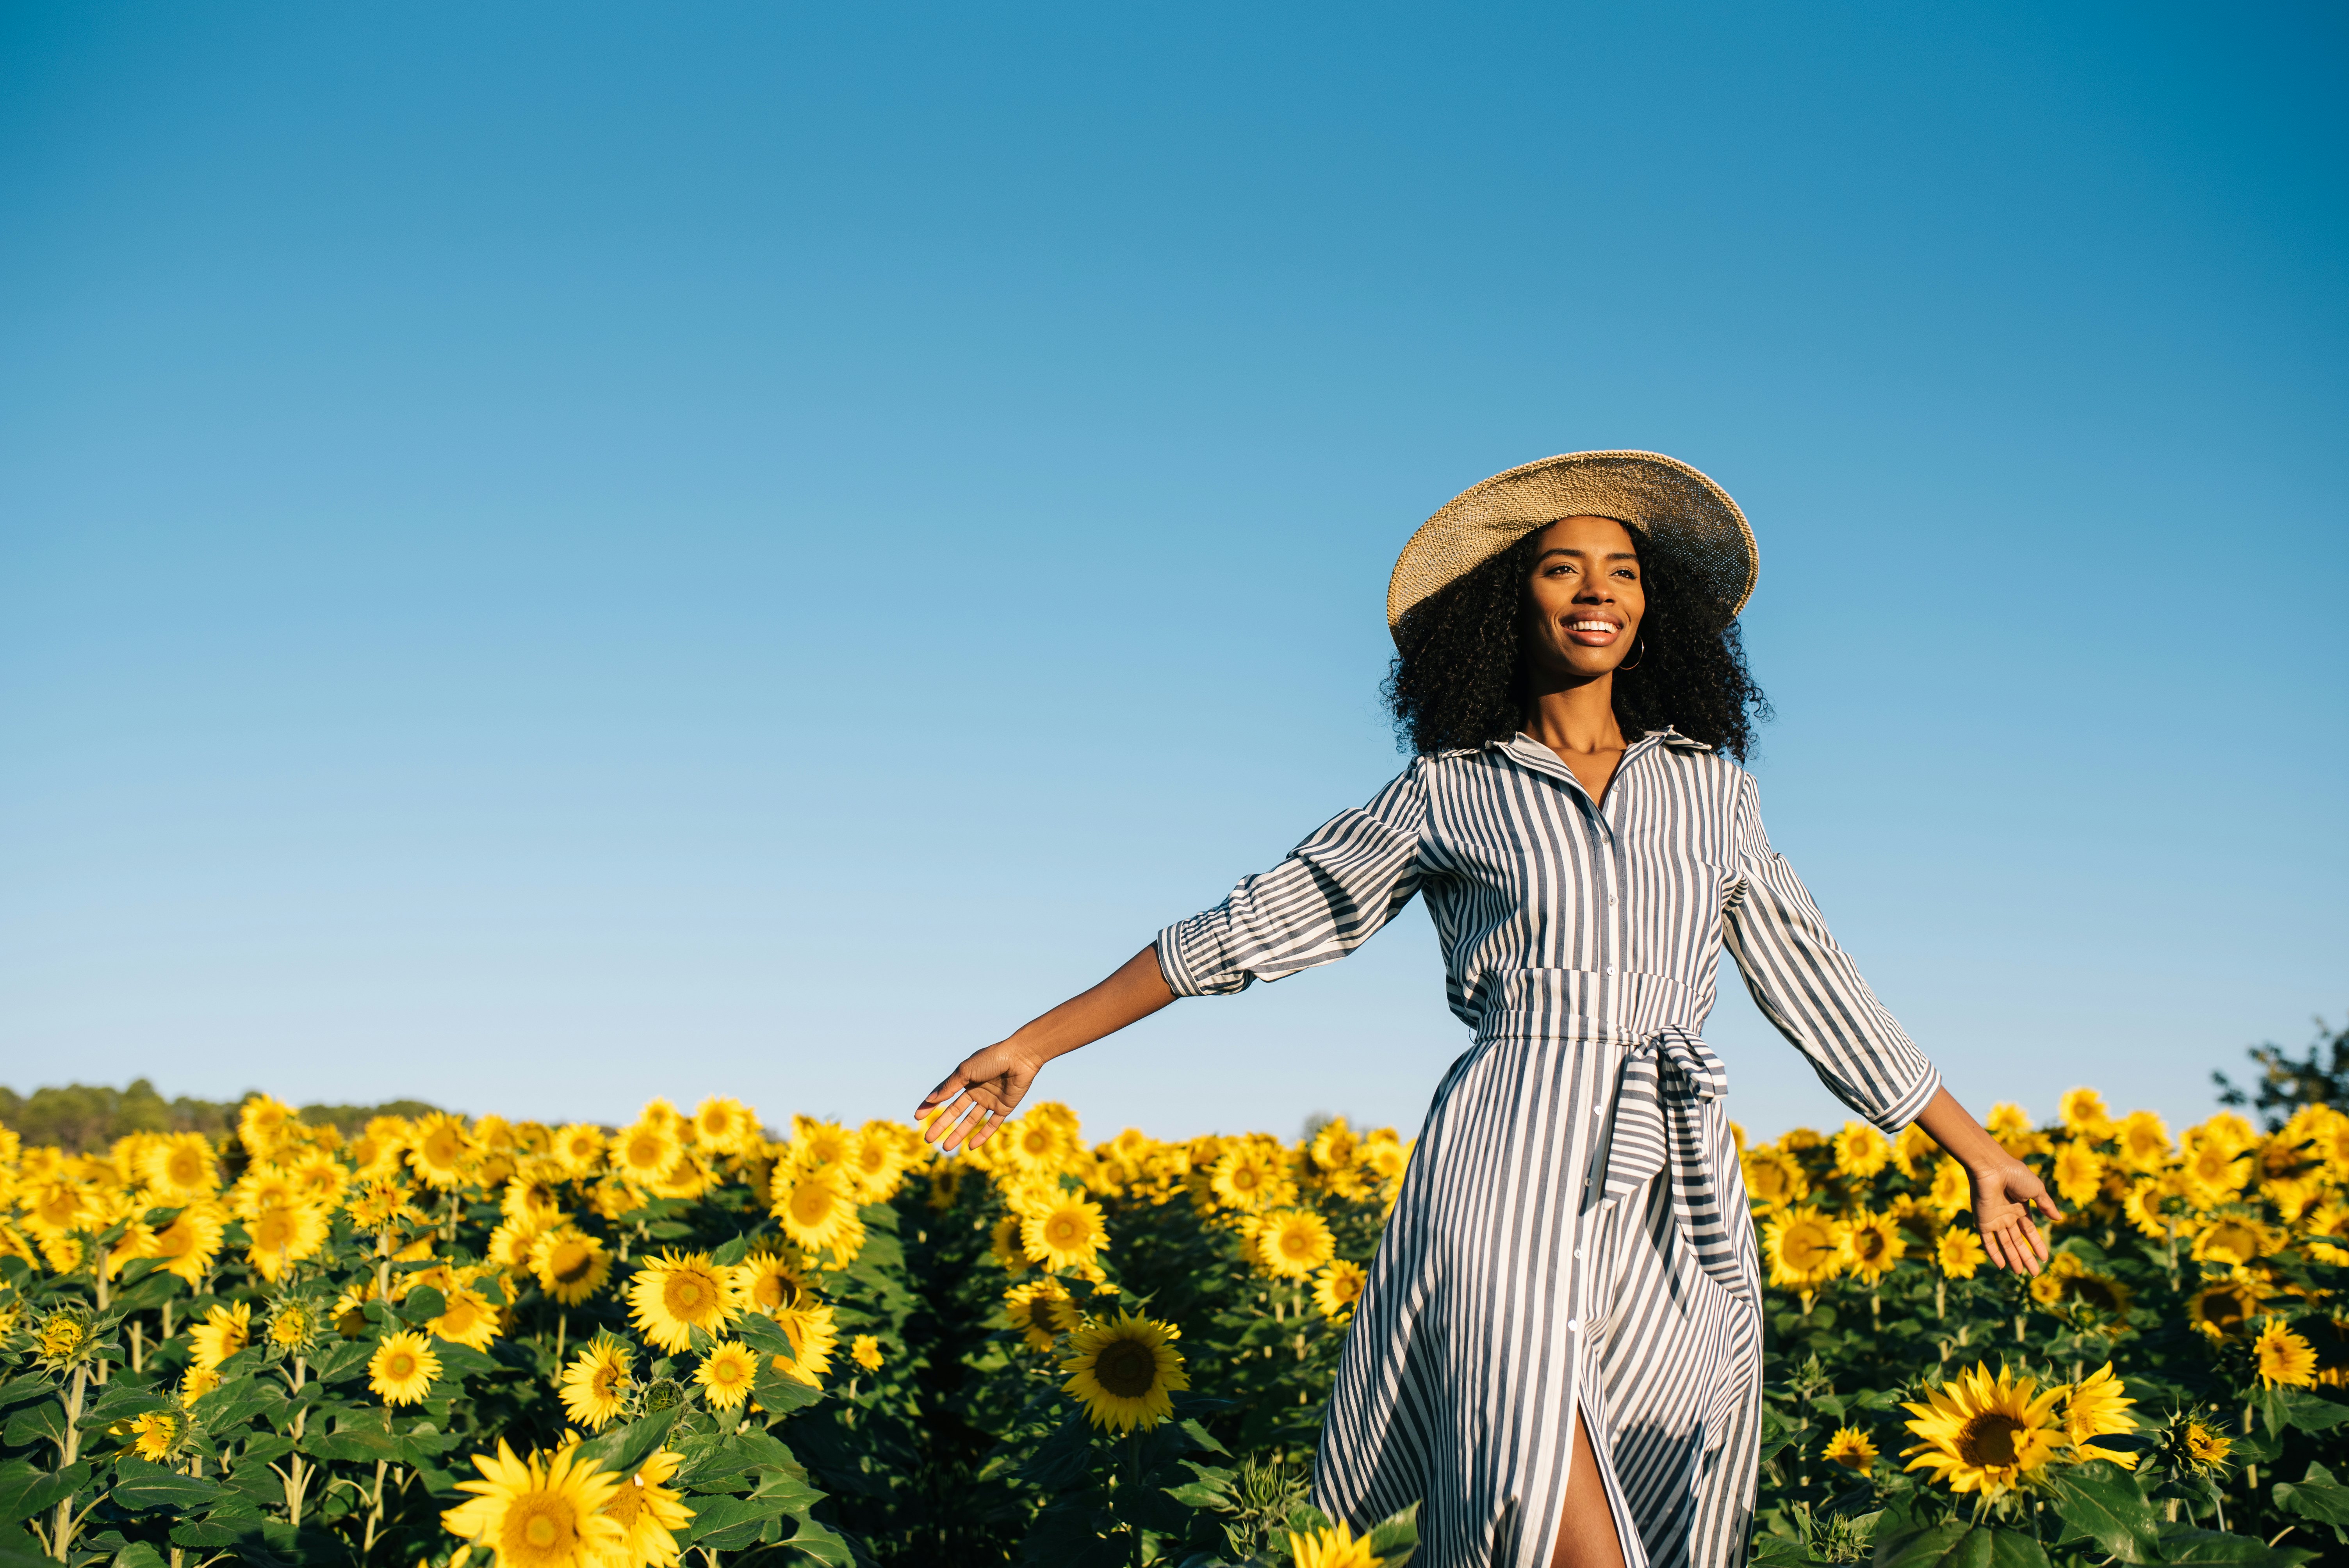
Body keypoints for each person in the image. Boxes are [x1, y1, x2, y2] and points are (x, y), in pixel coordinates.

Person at [913, 451, 2060, 1568]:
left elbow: (1815, 980)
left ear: (1653, 611)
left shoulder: (1715, 791)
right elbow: (1255, 925)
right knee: (1533, 1470)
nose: (1597, 587)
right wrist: (1034, 1044)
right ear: (1507, 607)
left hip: (1676, 1174)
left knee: (1666, 1478)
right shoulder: (1449, 788)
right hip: (1505, 1154)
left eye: (1621, 568)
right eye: (1562, 568)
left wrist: (1975, 1149)